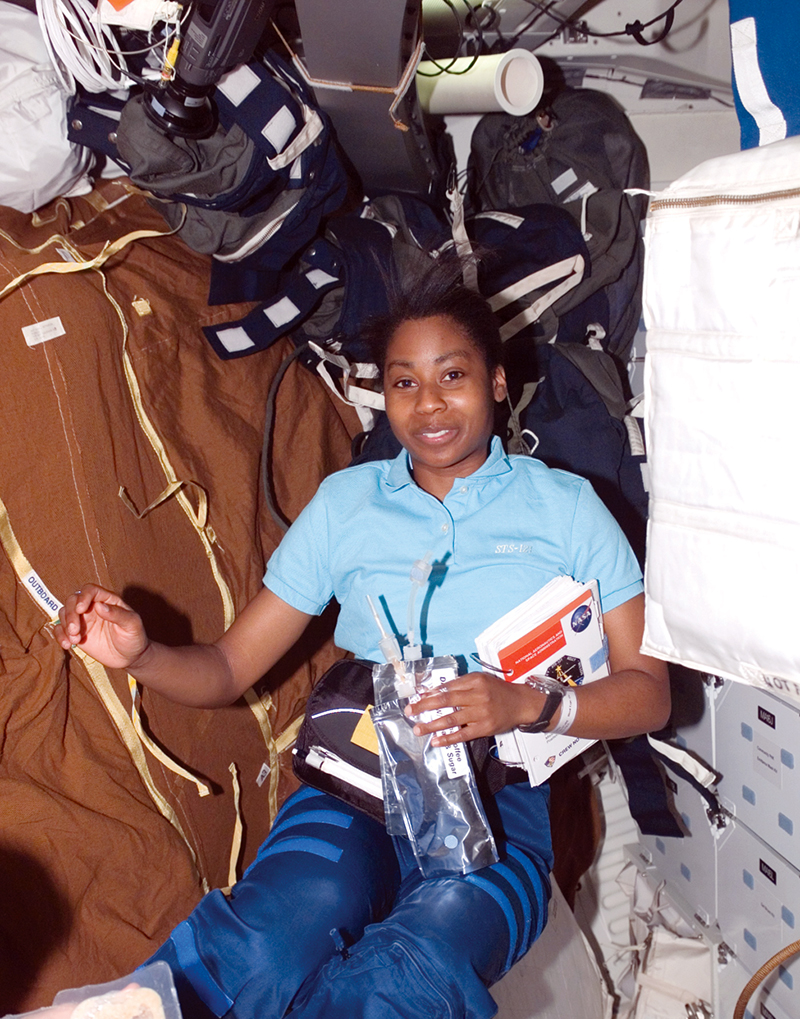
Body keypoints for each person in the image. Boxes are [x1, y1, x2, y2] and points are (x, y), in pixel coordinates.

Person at [55, 261, 669, 1019]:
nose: (429, 402)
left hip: (506, 802)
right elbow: (225, 666)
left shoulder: (569, 508)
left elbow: (649, 690)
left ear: (499, 382)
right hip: (357, 778)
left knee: (421, 963)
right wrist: (141, 655)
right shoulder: (348, 505)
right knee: (283, 925)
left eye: (453, 374)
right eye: (404, 382)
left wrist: (529, 704)